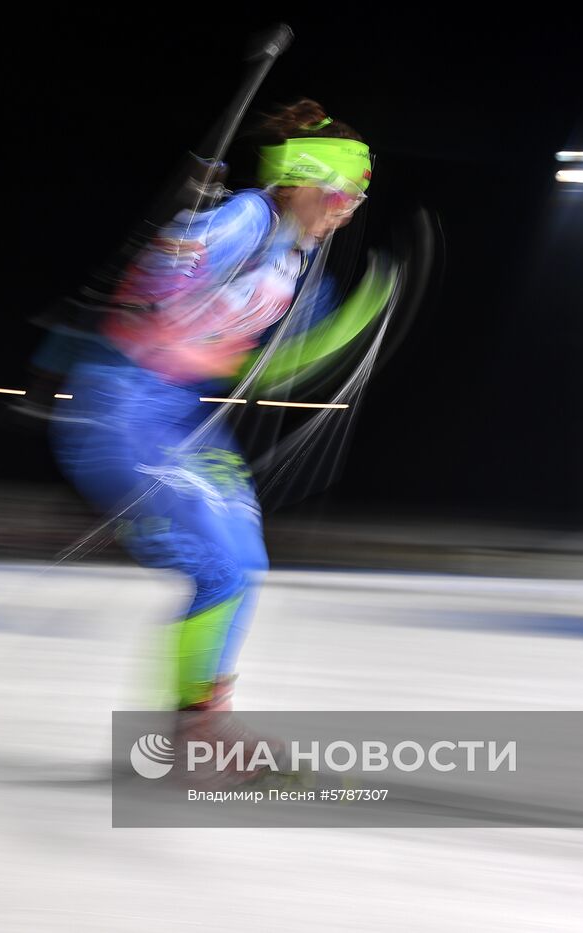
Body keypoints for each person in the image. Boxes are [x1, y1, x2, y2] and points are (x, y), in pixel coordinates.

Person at [50, 99, 376, 776]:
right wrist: (177, 249)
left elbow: (277, 361)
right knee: (221, 563)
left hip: (180, 418)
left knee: (238, 566)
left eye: (360, 195)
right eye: (342, 191)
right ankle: (197, 730)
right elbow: (156, 287)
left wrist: (346, 328)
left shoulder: (296, 259)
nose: (348, 208)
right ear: (302, 180)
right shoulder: (248, 218)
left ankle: (198, 722)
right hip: (120, 411)